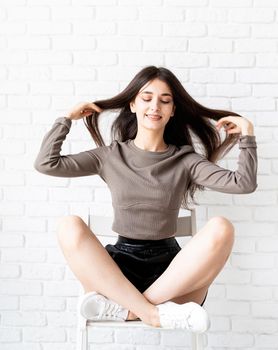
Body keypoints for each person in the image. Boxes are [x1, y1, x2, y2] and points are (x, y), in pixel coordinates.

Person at [34, 65, 257, 332]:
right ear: (132, 104)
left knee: (222, 227)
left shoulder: (185, 159)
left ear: (172, 111)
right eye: (147, 97)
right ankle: (152, 314)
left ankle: (130, 311)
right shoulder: (110, 155)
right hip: (116, 272)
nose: (155, 106)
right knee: (69, 225)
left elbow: (243, 184)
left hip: (171, 276)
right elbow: (47, 163)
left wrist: (248, 133)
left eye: (165, 101)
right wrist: (66, 119)